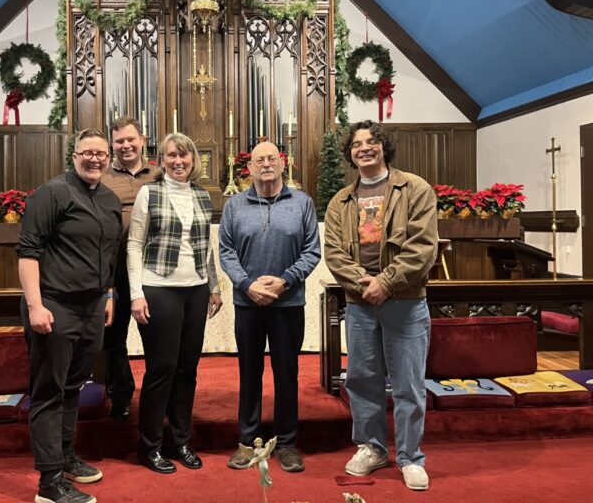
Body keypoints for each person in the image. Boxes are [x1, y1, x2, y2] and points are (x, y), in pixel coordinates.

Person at [323, 120, 437, 491]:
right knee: (362, 379)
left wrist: (385, 282)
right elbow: (334, 252)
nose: (364, 148)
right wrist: (364, 283)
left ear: (383, 146)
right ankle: (371, 447)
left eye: (371, 141)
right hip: (360, 303)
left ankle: (410, 456)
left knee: (408, 382)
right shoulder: (341, 201)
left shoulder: (414, 189)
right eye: (356, 144)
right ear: (350, 154)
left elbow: (423, 247)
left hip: (405, 300)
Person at [17, 128, 122, 503]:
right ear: (74, 156)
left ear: (108, 158)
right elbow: (28, 252)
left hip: (92, 307)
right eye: (87, 153)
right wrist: (35, 305)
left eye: (101, 153)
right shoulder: (52, 193)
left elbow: (109, 253)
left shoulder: (109, 199)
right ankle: (49, 483)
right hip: (55, 305)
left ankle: (64, 458)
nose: (94, 159)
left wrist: (108, 294)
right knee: (49, 391)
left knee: (73, 386)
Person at [219, 141, 321, 474]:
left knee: (286, 373)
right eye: (259, 159)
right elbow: (226, 252)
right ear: (249, 168)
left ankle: (286, 442)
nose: (265, 164)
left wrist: (285, 281)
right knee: (249, 373)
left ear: (282, 163)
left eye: (271, 158)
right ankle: (247, 441)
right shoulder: (235, 205)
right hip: (247, 304)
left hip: (288, 303)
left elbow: (311, 251)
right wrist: (247, 285)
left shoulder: (302, 202)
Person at [127, 132, 223, 474]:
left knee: (187, 369)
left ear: (193, 159)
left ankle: (180, 440)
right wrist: (136, 293)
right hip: (159, 288)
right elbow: (134, 245)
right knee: (162, 368)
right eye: (171, 155)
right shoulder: (149, 192)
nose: (178, 161)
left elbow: (206, 246)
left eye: (184, 155)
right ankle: (150, 445)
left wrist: (213, 286)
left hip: (195, 290)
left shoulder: (201, 194)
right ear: (162, 160)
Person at [101, 116, 154, 421]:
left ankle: (156, 397)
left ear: (142, 140)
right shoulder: (103, 176)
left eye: (131, 139)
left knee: (155, 340)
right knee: (112, 338)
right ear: (112, 144)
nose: (126, 145)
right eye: (119, 141)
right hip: (113, 272)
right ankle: (120, 395)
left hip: (151, 273)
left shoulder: (158, 175)